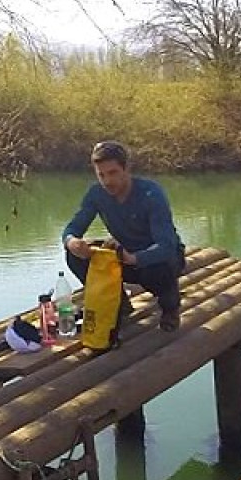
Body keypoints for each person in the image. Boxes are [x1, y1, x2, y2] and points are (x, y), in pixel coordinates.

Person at [61, 140, 186, 334]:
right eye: (101, 175)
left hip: (157, 259)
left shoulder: (151, 193)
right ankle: (119, 304)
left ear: (126, 169)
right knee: (74, 255)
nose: (107, 181)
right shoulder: (96, 194)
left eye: (113, 173)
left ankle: (171, 307)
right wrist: (72, 241)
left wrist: (134, 258)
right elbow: (72, 228)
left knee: (160, 267)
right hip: (122, 256)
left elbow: (166, 245)